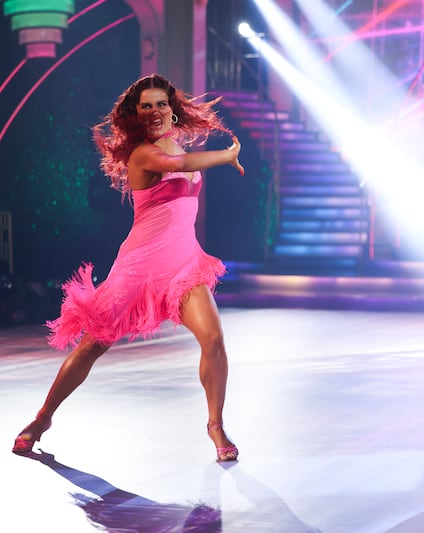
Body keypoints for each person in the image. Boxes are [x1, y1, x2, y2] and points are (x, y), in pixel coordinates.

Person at [12, 74, 244, 462]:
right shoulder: (143, 154)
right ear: (136, 116)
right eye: (145, 106)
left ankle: (216, 426)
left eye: (160, 104)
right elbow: (180, 163)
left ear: (173, 109)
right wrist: (225, 156)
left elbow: (184, 161)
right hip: (139, 266)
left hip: (184, 263)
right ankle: (42, 419)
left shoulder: (177, 143)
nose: (154, 111)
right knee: (92, 345)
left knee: (214, 339)